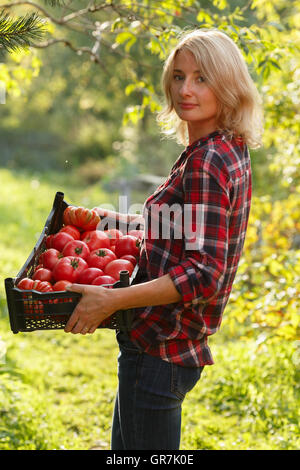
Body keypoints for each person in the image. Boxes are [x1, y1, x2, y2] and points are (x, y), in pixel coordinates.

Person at [64, 29, 263, 450]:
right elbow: (183, 230)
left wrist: (112, 300)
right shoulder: (224, 146)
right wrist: (111, 220)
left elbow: (203, 272)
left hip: (159, 348)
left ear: (227, 84)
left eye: (201, 78)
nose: (185, 90)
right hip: (168, 347)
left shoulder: (207, 161)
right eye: (177, 76)